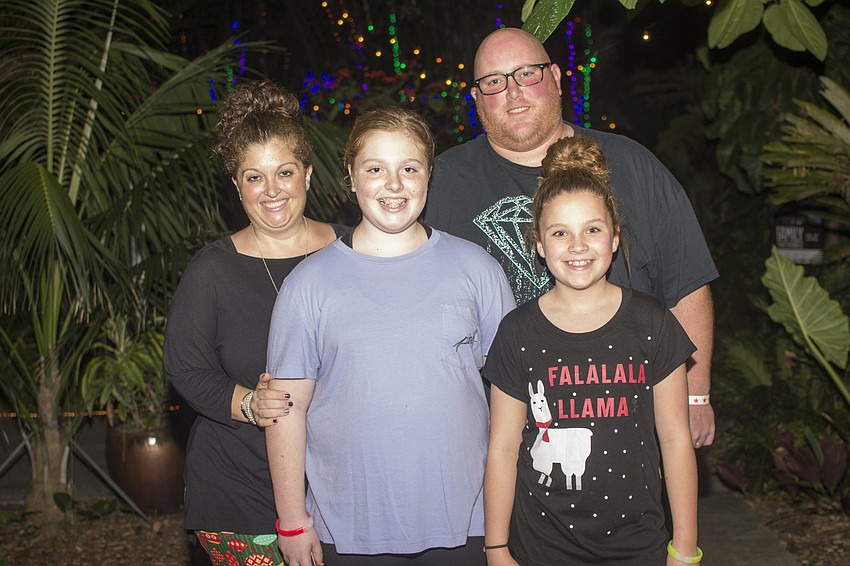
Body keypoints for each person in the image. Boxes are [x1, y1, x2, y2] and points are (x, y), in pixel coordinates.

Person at [424, 27, 718, 449]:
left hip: (629, 424)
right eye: (494, 82)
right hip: (494, 433)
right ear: (476, 98)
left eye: (527, 74)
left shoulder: (632, 165)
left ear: (557, 78)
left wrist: (695, 393)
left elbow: (686, 281)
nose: (513, 92)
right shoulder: (443, 183)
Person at [264, 106, 516, 566]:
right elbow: (285, 409)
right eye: (376, 169)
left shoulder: (478, 270)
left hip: (468, 524)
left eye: (409, 168)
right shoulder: (308, 284)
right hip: (348, 529)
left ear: (428, 175)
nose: (394, 185)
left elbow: (512, 395)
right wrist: (292, 521)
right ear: (351, 177)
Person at [483, 136, 700, 565]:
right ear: (540, 246)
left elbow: (676, 438)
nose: (577, 246)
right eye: (560, 232)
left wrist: (685, 548)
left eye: (593, 230)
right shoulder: (516, 332)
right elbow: (503, 448)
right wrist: (496, 548)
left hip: (638, 546)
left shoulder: (653, 323)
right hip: (540, 548)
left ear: (615, 238)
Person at [164, 81, 349, 565]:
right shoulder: (213, 270)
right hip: (241, 495)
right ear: (236, 185)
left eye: (284, 172)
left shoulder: (357, 250)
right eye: (254, 177)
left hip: (347, 491)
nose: (272, 191)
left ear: (307, 174)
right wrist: (247, 403)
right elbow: (185, 368)